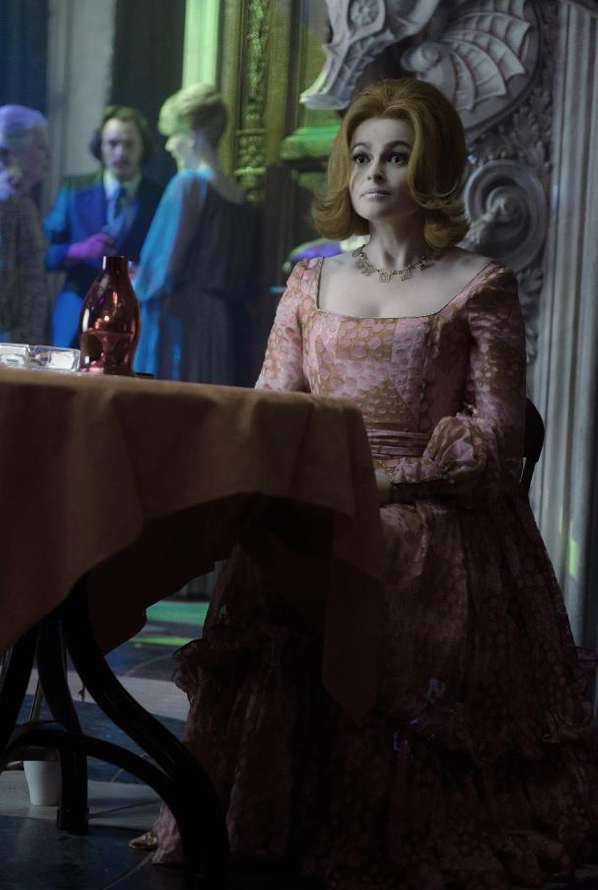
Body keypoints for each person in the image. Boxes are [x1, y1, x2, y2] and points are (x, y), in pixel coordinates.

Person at [132, 79, 598, 888]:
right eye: (361, 156)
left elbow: (498, 438)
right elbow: (271, 409)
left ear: (434, 167)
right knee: (279, 551)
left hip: (434, 510)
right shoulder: (309, 283)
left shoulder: (480, 282)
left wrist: (383, 484)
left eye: (396, 155)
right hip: (319, 499)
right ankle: (274, 813)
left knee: (389, 550)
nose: (373, 173)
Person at [133, 84, 258, 385]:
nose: (169, 146)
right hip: (217, 322)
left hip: (180, 318)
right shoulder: (238, 194)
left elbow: (165, 268)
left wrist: (136, 282)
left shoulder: (187, 184)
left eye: (172, 135)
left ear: (190, 135)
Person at [44, 105, 163, 348]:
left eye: (129, 144)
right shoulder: (74, 190)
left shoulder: (159, 197)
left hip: (135, 317)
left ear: (143, 147)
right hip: (77, 311)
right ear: (100, 146)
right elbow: (42, 253)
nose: (120, 153)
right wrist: (78, 250)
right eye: (112, 143)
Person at [0, 105, 50, 357]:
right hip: (7, 347)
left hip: (23, 343)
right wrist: (11, 351)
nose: (47, 156)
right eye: (40, 147)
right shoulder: (1, 200)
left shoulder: (19, 197)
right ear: (13, 152)